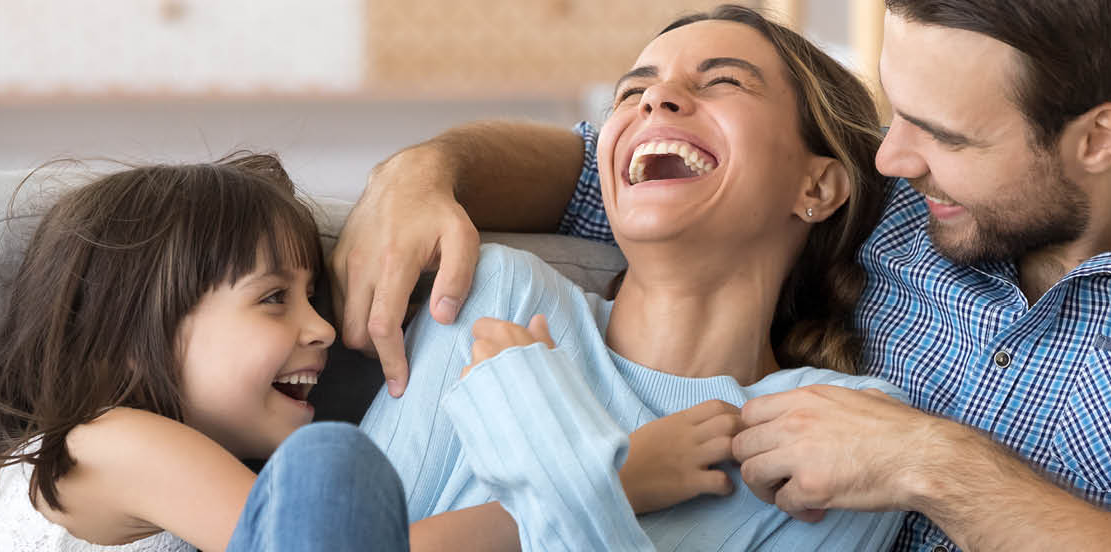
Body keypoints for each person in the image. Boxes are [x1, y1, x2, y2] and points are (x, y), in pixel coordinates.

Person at [331, 1, 1111, 550]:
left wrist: (937, 466)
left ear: (1099, 137)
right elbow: (605, 170)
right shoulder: (877, 207)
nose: (888, 158)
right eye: (891, 114)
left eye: (938, 133)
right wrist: (429, 169)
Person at [354, 6, 910, 550]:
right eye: (630, 93)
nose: (654, 99)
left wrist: (546, 440)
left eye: (722, 82)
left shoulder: (841, 434)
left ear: (815, 188)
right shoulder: (498, 295)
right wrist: (614, 481)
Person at [0, 154, 407, 552]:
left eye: (312, 296)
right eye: (274, 298)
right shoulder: (115, 442)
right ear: (129, 339)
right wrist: (487, 507)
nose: (324, 327)